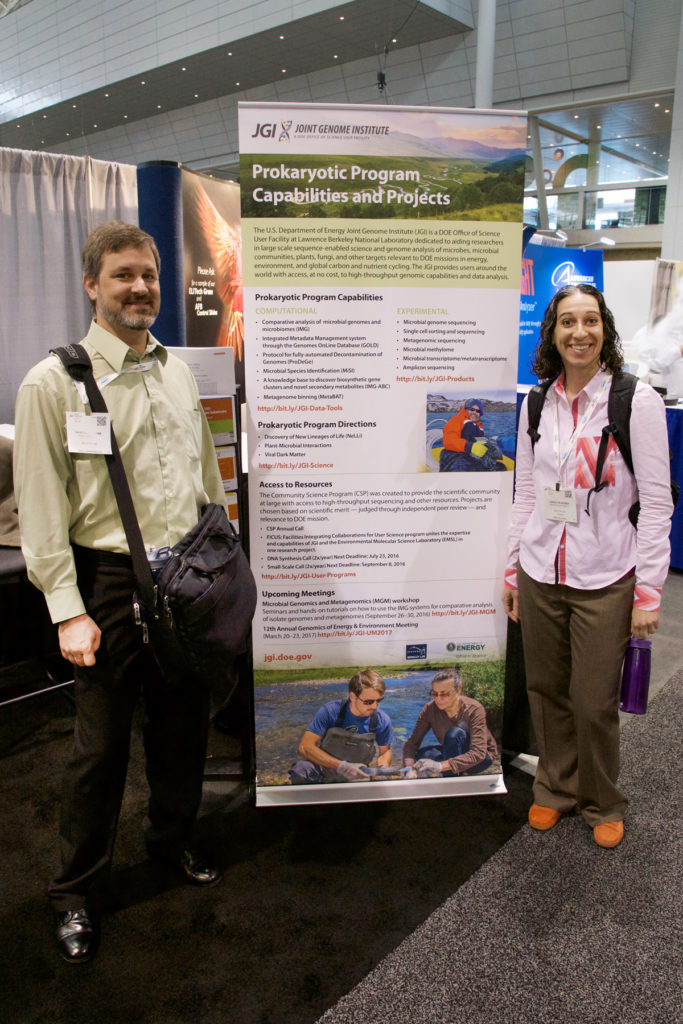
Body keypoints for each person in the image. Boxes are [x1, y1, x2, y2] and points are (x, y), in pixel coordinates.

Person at [13, 221, 228, 964]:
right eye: (122, 276)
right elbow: (42, 510)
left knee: (182, 731)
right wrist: (67, 610)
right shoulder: (54, 383)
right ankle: (75, 893)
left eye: (149, 275)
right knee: (97, 752)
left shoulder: (174, 369)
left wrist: (219, 560)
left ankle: (170, 843)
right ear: (91, 285)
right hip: (104, 586)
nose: (140, 288)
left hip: (184, 580)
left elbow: (203, 475)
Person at [502, 284, 672, 849]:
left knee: (594, 698)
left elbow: (657, 501)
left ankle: (603, 799)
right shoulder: (536, 401)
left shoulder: (633, 400)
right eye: (568, 322)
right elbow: (526, 493)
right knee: (546, 689)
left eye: (591, 321)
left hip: (605, 575)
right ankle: (555, 788)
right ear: (552, 332)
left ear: (605, 330)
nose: (580, 332)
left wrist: (648, 592)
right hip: (540, 569)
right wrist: (511, 570)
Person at [289, 669, 393, 784]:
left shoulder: (382, 720)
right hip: (324, 770)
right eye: (368, 702)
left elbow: (385, 752)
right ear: (353, 696)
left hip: (357, 774)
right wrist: (342, 767)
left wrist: (382, 769)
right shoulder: (330, 711)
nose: (374, 706)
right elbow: (304, 747)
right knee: (300, 770)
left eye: (378, 700)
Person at [402, 668, 498, 777]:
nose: (438, 699)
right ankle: (456, 772)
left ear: (459, 689)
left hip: (482, 757)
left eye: (444, 694)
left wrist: (440, 766)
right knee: (422, 755)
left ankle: (451, 777)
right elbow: (412, 743)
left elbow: (478, 753)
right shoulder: (429, 709)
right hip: (452, 751)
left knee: (454, 734)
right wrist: (410, 768)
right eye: (434, 694)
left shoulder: (474, 709)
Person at [439, 399, 507, 471]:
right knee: (462, 467)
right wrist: (470, 447)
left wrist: (494, 446)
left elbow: (481, 444)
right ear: (467, 410)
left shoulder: (480, 427)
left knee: (500, 467)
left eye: (478, 411)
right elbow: (448, 441)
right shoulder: (457, 420)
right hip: (454, 455)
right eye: (472, 409)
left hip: (471, 457)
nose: (474, 412)